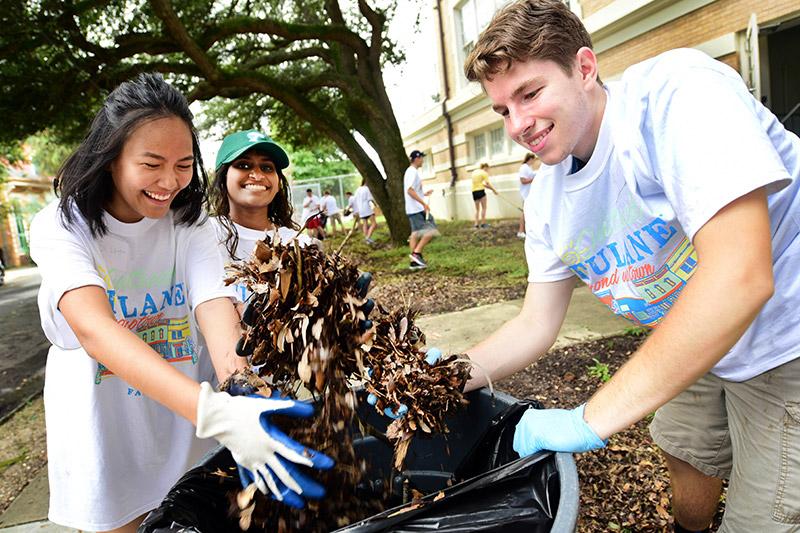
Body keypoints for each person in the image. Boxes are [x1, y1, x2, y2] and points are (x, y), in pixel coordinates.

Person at [462, 1, 800, 532]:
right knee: (686, 465)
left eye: (530, 93)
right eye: (503, 110)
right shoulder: (548, 198)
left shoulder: (677, 95)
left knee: (764, 519)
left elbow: (741, 275)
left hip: (787, 335)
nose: (519, 124)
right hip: (695, 332)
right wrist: (441, 377)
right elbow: (535, 322)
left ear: (585, 68)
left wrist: (586, 420)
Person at [29, 74, 332, 532]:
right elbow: (94, 328)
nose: (169, 181)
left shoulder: (191, 225)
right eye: (151, 163)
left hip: (179, 422)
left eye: (184, 164)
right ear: (111, 158)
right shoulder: (62, 224)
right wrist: (214, 412)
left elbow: (215, 307)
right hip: (107, 426)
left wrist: (243, 390)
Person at [209, 130, 311, 306]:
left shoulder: (298, 243)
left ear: (278, 183)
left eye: (267, 167)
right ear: (223, 178)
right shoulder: (204, 233)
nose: (257, 175)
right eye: (244, 165)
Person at [404, 150, 439, 269]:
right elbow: (409, 190)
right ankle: (416, 253)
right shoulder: (412, 172)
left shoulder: (411, 172)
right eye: (422, 158)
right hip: (416, 209)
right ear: (416, 158)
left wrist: (424, 194)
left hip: (413, 208)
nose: (423, 160)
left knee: (415, 234)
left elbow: (413, 190)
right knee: (431, 229)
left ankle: (414, 262)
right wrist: (423, 203)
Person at [470, 161, 498, 229]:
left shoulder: (474, 172)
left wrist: (491, 189)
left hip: (474, 192)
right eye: (487, 169)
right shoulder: (484, 173)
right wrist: (494, 190)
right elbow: (487, 183)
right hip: (481, 191)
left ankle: (476, 224)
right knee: (484, 208)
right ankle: (483, 224)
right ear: (485, 167)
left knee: (477, 209)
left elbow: (481, 184)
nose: (487, 170)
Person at [517, 153, 536, 238]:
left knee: (529, 213)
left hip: (530, 193)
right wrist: (534, 179)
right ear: (530, 159)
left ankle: (528, 231)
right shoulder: (524, 167)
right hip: (525, 194)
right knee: (524, 213)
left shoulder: (529, 168)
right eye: (533, 159)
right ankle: (520, 231)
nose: (534, 161)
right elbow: (523, 181)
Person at [353, 179, 377, 244]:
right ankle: (368, 238)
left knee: (365, 224)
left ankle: (366, 239)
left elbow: (355, 199)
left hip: (361, 209)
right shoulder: (366, 188)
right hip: (367, 208)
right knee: (374, 224)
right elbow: (370, 199)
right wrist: (376, 204)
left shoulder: (358, 189)